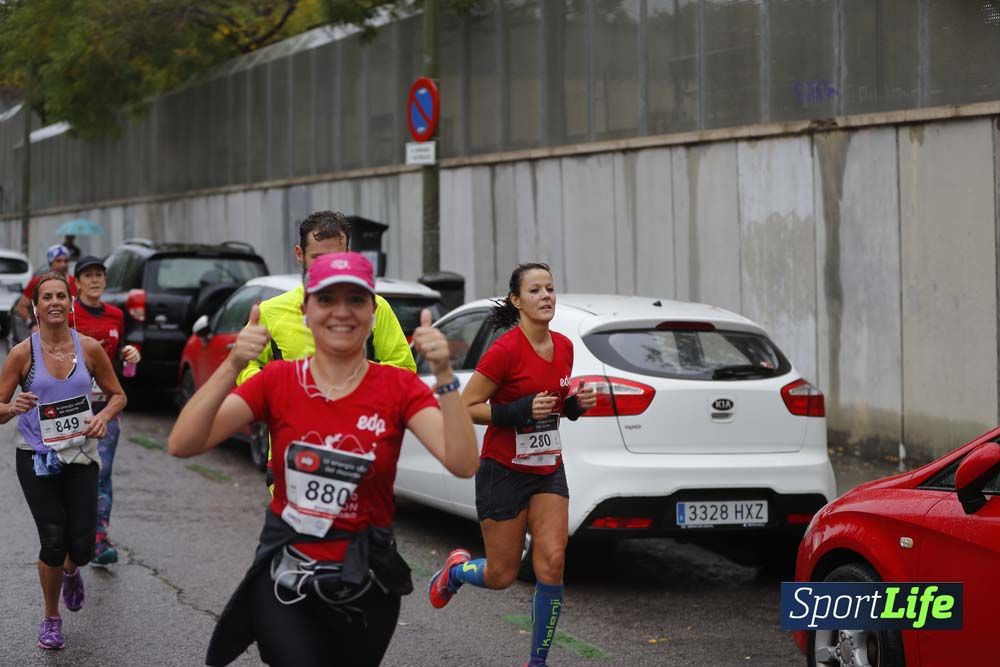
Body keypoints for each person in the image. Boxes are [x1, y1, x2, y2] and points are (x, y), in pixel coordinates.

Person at [168, 252, 478, 667]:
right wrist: (233, 362)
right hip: (286, 578)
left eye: (356, 300)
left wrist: (444, 375)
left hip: (366, 582)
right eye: (327, 299)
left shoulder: (398, 388)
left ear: (372, 311)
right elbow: (184, 442)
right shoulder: (279, 381)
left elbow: (462, 463)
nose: (341, 312)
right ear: (306, 309)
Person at [426, 262, 596, 667]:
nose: (546, 296)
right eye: (535, 291)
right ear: (517, 301)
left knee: (552, 562)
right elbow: (466, 406)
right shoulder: (504, 350)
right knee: (501, 575)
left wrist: (574, 406)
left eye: (550, 288)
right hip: (502, 471)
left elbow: (551, 406)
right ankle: (456, 571)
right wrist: (518, 409)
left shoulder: (565, 347)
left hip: (547, 469)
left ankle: (536, 662)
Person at [237, 211, 415, 487]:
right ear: (300, 254)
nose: (329, 267)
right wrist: (274, 390)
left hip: (358, 458)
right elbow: (245, 366)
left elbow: (404, 371)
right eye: (319, 258)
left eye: (336, 258)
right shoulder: (270, 312)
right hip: (291, 457)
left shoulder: (376, 308)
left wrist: (352, 379)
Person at [0, 273, 125, 650]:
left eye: (60, 296)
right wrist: (12, 407)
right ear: (36, 307)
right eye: (47, 297)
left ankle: (73, 571)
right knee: (54, 540)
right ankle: (51, 618)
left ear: (70, 304)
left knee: (82, 547)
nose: (54, 302)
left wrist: (103, 417)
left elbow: (117, 395)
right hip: (35, 457)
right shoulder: (22, 354)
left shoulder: (88, 348)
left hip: (81, 454)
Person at [71, 255, 141, 566]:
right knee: (71, 471)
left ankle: (98, 539)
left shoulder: (115, 315)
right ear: (77, 283)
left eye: (99, 274)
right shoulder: (68, 314)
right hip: (69, 408)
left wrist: (130, 357)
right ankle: (72, 532)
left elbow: (120, 363)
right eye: (88, 275)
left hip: (106, 407)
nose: (95, 280)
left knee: (102, 470)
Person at [16, 245, 78, 322]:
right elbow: (21, 306)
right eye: (58, 261)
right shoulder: (38, 282)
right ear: (51, 263)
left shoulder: (75, 282)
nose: (63, 265)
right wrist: (31, 324)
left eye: (66, 261)